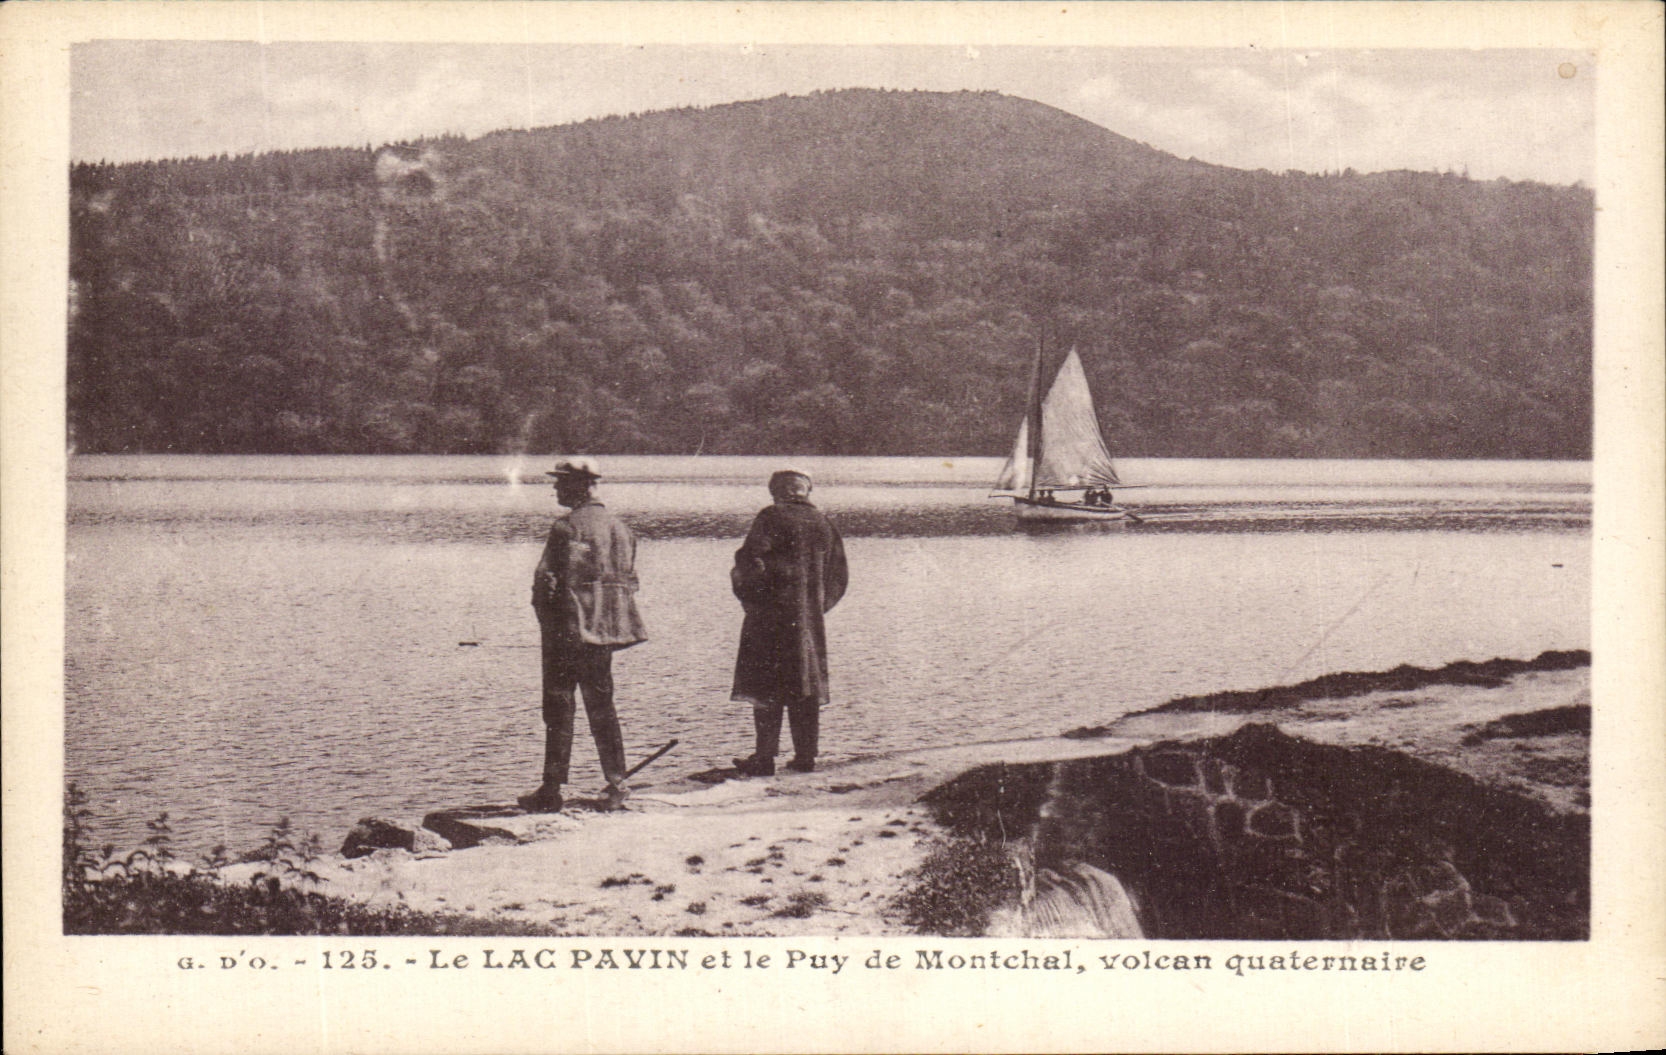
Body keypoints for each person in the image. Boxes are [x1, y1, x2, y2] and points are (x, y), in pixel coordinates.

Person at [519, 457, 647, 813]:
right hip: (603, 633)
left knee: (559, 707)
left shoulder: (566, 528)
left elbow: (545, 583)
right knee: (602, 705)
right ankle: (617, 782)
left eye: (561, 483)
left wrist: (547, 621)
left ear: (580, 486)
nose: (555, 489)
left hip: (566, 631)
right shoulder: (622, 529)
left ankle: (551, 789)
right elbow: (630, 582)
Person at [730, 468, 848, 776]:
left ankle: (764, 759)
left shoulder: (771, 516)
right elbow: (839, 577)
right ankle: (805, 757)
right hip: (808, 622)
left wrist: (752, 599)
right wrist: (816, 608)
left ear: (777, 492)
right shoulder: (824, 523)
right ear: (806, 491)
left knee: (766, 686)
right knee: (805, 684)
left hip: (770, 619)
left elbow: (749, 561)